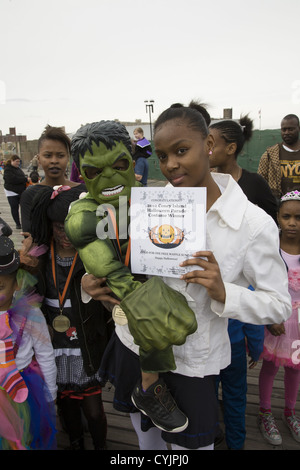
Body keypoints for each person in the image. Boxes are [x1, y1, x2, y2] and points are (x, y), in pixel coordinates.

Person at [80, 102, 292, 451]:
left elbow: (279, 305)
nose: (171, 165)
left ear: (209, 145)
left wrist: (225, 291)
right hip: (135, 343)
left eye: (181, 150)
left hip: (193, 362)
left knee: (191, 449)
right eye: (162, 156)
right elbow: (121, 264)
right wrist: (91, 285)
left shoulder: (253, 224)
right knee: (146, 442)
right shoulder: (146, 204)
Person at [65, 120, 195, 435]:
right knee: (143, 427)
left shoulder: (158, 199)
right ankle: (148, 389)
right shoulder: (84, 213)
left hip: (177, 314)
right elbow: (107, 267)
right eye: (94, 171)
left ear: (132, 157)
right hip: (130, 319)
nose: (109, 176)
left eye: (119, 164)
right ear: (82, 174)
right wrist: (140, 302)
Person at [29, 184, 112, 450]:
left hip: (86, 342)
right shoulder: (39, 258)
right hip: (53, 344)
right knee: (67, 405)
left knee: (94, 410)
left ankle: (101, 446)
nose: (64, 235)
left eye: (70, 227)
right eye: (58, 227)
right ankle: (76, 442)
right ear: (48, 224)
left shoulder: (93, 257)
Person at [0, 235, 57, 450]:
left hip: (23, 390)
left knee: (25, 438)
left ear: (16, 284)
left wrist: (51, 394)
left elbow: (45, 354)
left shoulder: (29, 314)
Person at [258, 190, 300, 446]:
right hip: (276, 322)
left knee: (296, 368)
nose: (293, 222)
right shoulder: (271, 248)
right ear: (277, 218)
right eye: (286, 216)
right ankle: (265, 412)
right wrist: (268, 319)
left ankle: (290, 412)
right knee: (271, 367)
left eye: (298, 217)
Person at [210, 115, 278, 223]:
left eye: (211, 146)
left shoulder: (255, 183)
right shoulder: (204, 182)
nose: (205, 151)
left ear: (231, 148)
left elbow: (271, 220)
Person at [20, 125, 84, 233]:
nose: (54, 161)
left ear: (68, 158)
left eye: (60, 155)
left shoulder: (83, 192)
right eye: (48, 155)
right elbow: (29, 234)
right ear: (39, 159)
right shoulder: (29, 195)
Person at [258, 114, 300, 200]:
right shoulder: (270, 155)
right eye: (284, 130)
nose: (287, 133)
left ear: (298, 128)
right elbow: (260, 182)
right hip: (278, 206)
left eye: (290, 129)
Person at [3, 155, 28, 229]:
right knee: (14, 208)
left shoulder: (18, 169)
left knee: (24, 207)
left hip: (21, 191)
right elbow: (12, 179)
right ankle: (18, 223)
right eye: (16, 161)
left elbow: (21, 177)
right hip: (11, 192)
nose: (18, 163)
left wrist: (24, 179)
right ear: (12, 161)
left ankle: (25, 222)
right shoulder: (8, 169)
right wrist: (25, 179)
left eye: (19, 161)